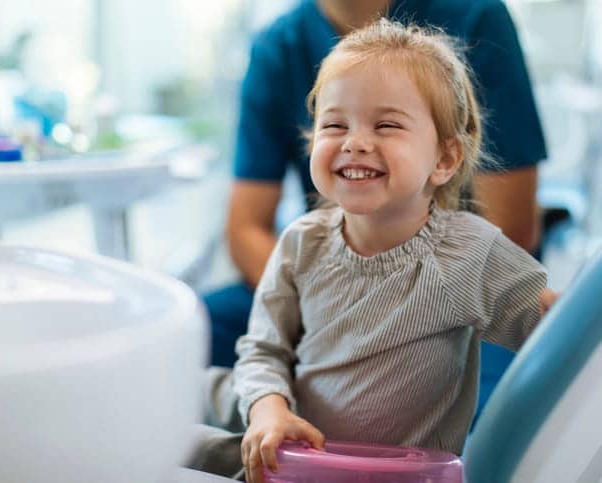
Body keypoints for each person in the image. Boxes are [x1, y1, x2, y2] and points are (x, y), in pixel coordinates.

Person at [192, 20, 558, 482]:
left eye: (386, 125)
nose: (355, 141)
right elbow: (264, 351)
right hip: (292, 460)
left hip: (387, 475)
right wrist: (268, 410)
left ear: (444, 160)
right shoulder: (301, 243)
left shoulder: (470, 253)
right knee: (172, 439)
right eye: (334, 124)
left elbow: (559, 331)